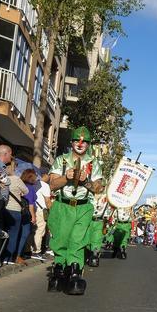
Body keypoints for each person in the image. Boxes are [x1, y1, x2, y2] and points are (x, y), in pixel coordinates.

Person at [47, 126, 103, 295]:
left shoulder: (94, 164)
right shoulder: (61, 160)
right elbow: (52, 184)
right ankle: (59, 269)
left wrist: (86, 181)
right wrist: (67, 177)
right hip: (63, 206)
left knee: (78, 240)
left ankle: (75, 271)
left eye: (84, 141)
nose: (80, 144)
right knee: (61, 238)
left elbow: (98, 188)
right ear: (71, 142)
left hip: (84, 207)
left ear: (88, 144)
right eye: (77, 140)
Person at [4, 165, 33, 265]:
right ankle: (9, 258)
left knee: (3, 233)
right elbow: (26, 191)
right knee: (13, 235)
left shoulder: (2, 178)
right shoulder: (16, 179)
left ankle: (0, 255)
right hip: (15, 209)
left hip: (4, 208)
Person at [29, 170, 52, 260]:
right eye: (49, 176)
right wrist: (52, 210)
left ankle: (30, 249)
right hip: (41, 210)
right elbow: (47, 200)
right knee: (40, 230)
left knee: (33, 230)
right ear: (45, 175)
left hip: (33, 208)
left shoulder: (34, 183)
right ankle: (36, 251)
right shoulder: (45, 185)